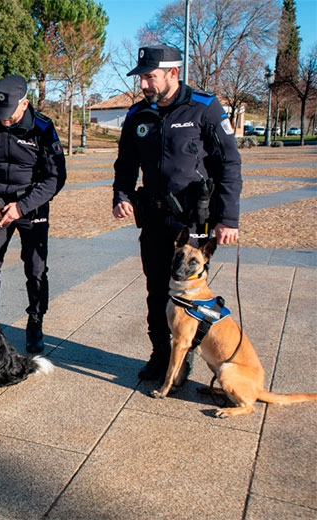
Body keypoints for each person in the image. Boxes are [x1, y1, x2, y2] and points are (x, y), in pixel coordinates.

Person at [112, 45, 242, 380]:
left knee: (188, 291)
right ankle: (161, 354)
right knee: (156, 288)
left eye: (149, 77)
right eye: (142, 77)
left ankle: (186, 356)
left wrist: (227, 218)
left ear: (173, 73)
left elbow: (228, 163)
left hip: (191, 220)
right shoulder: (138, 115)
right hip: (154, 218)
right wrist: (121, 195)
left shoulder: (204, 108)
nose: (143, 84)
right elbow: (125, 164)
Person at [0, 74, 67, 353]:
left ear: (24, 104)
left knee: (36, 269)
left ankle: (35, 321)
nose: (4, 120)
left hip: (30, 205)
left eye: (9, 115)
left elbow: (55, 178)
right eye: (0, 114)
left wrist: (22, 207)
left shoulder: (43, 128)